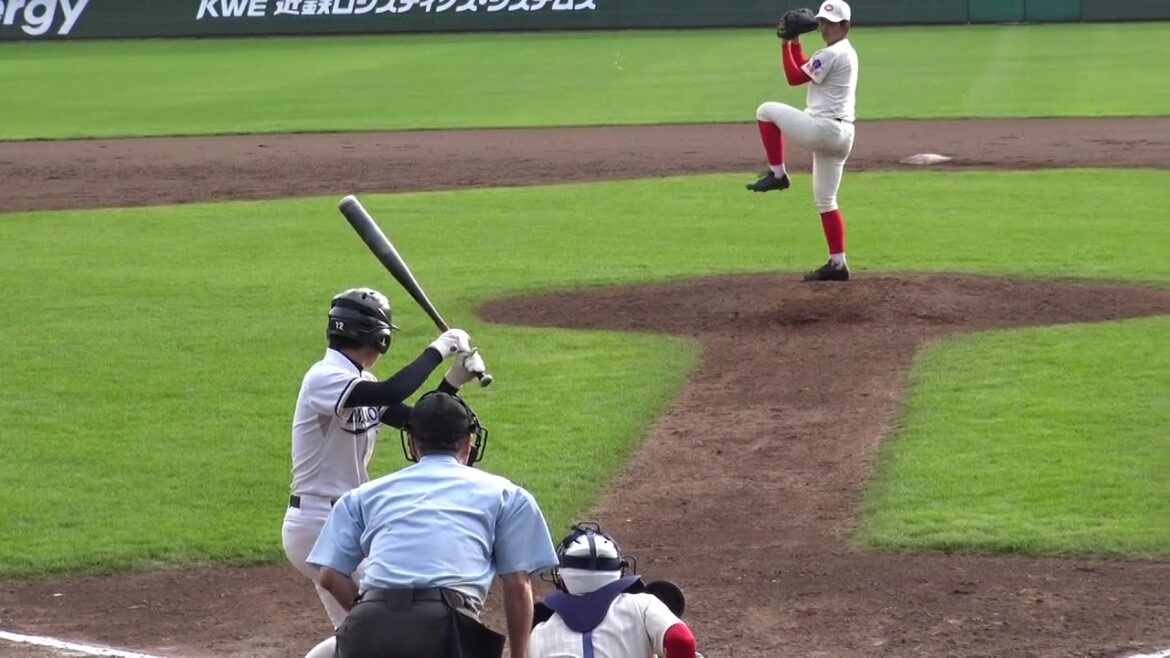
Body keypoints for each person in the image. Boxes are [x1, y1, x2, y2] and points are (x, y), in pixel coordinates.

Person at [282, 287, 487, 657]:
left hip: (339, 523)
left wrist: (453, 381)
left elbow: (420, 423)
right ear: (378, 336)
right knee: (387, 623)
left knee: (362, 636)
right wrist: (438, 349)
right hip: (318, 523)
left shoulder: (361, 384)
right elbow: (392, 391)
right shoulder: (324, 377)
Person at [307, 391, 559, 658]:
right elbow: (518, 585)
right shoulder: (506, 495)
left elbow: (329, 575)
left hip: (367, 623)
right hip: (444, 629)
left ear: (412, 442)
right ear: (468, 442)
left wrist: (376, 617)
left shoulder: (363, 495)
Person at [747, 0, 859, 282]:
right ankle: (838, 264)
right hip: (842, 135)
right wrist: (795, 41)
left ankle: (778, 174)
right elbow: (807, 68)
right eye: (822, 22)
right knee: (826, 201)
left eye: (831, 23)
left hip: (823, 130)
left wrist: (785, 43)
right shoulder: (845, 51)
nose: (825, 28)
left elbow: (794, 77)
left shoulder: (832, 53)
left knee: (765, 111)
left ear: (845, 26)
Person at [529, 523, 698, 658]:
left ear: (561, 573)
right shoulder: (641, 605)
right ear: (619, 569)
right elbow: (681, 641)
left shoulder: (540, 632)